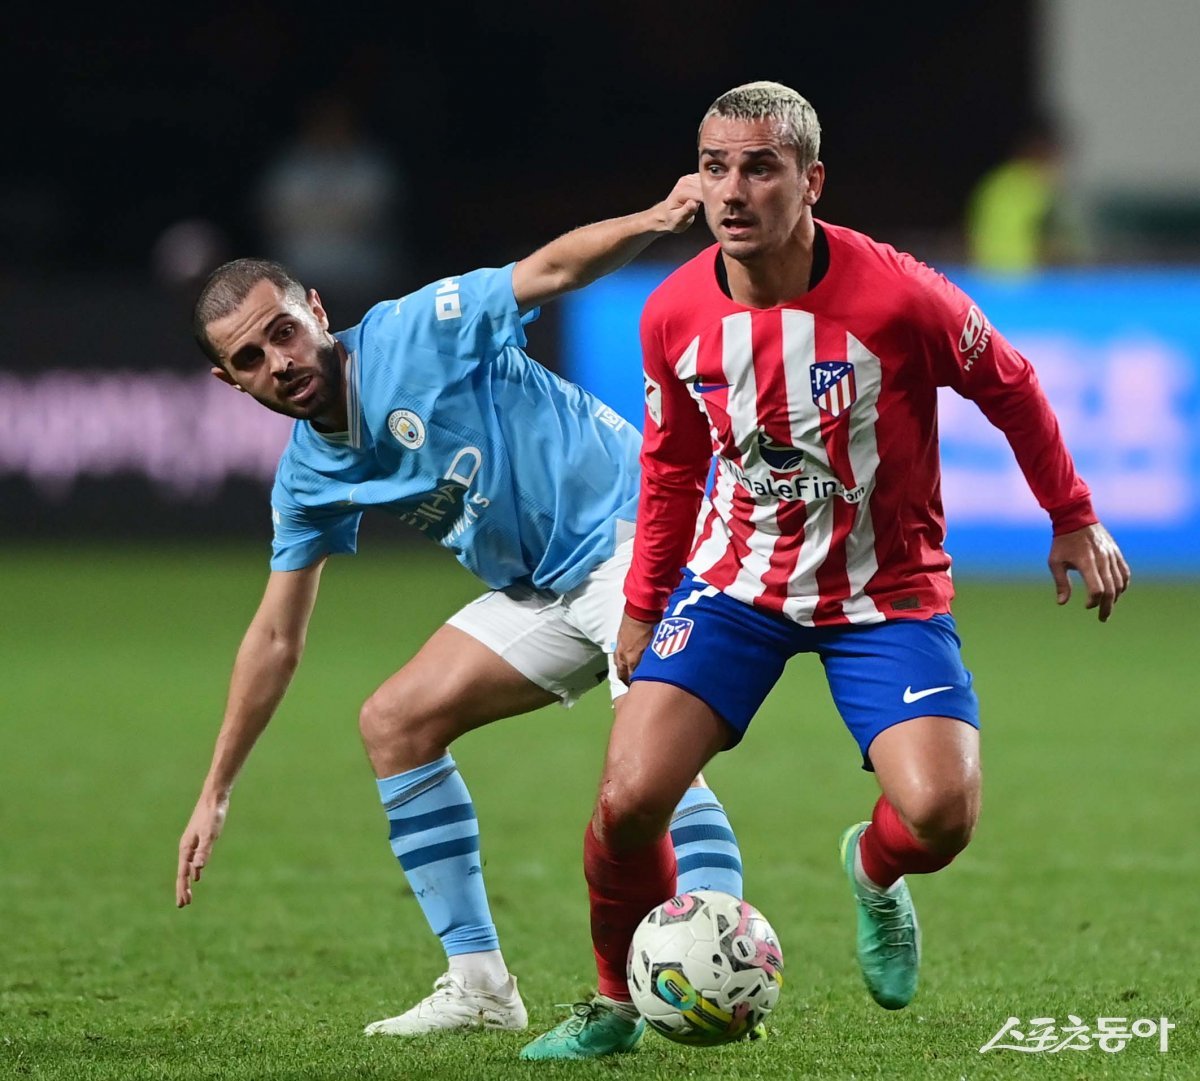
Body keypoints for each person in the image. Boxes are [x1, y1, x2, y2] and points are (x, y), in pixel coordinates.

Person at [522, 81, 1130, 1061]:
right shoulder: (674, 311)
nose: (732, 191)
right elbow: (671, 464)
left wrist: (1074, 515)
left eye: (759, 168)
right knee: (627, 801)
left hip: (885, 596)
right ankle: (613, 1002)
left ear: (811, 181)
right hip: (735, 590)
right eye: (715, 167)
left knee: (940, 817)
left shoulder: (900, 295)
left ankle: (875, 871)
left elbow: (1010, 384)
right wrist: (643, 603)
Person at [175, 177, 751, 1039]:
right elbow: (276, 635)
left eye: (283, 331)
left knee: (648, 772)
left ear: (316, 310)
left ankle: (723, 970)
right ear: (230, 381)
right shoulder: (308, 475)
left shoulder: (416, 331)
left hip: (633, 539)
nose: (280, 362)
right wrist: (216, 789)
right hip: (542, 588)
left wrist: (658, 218)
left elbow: (551, 270)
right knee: (394, 721)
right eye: (250, 359)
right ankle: (481, 985)